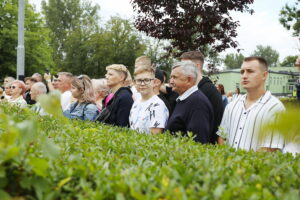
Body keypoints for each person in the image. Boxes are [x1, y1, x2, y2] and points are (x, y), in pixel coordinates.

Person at [217, 56, 285, 152]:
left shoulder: (274, 108)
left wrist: (242, 166)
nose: (244, 75)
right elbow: (222, 137)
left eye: (250, 71)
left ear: (264, 75)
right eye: (242, 72)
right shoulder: (232, 106)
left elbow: (270, 148)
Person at [180, 51, 223, 144]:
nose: (181, 69)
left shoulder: (210, 91)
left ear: (197, 66)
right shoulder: (187, 89)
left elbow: (217, 124)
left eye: (184, 66)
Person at [166, 61, 214, 143]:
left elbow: (198, 142)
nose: (171, 81)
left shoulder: (198, 103)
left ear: (188, 80)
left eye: (174, 77)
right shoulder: (185, 99)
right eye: (171, 77)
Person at [129, 66, 169, 134]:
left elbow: (155, 138)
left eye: (147, 80)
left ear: (154, 82)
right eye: (139, 80)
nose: (142, 84)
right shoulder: (136, 102)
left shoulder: (157, 105)